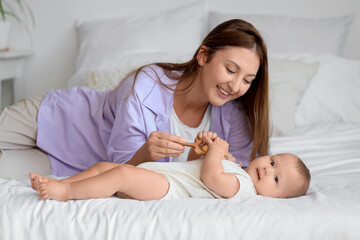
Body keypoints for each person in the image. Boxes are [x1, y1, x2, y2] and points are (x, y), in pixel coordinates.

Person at [0, 19, 269, 178]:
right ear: (203, 56)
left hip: (73, 165)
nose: (235, 86)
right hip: (55, 119)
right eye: (231, 70)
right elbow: (123, 163)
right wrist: (143, 154)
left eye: (247, 80)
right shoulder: (148, 84)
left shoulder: (235, 118)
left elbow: (241, 175)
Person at [29, 131, 311, 201]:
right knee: (107, 166)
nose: (268, 170)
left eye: (276, 180)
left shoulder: (244, 189)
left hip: (168, 190)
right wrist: (202, 149)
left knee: (123, 174)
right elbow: (196, 169)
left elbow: (211, 178)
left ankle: (63, 194)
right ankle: (66, 183)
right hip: (166, 176)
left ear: (277, 199)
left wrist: (215, 153)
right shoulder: (238, 170)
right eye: (273, 162)